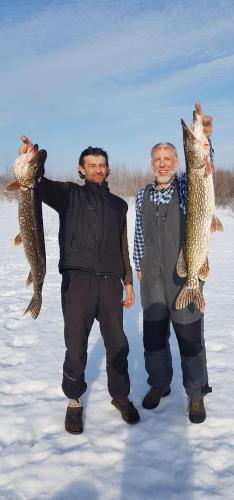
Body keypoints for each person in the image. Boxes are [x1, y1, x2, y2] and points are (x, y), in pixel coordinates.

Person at [19, 136, 140, 434]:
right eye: (92, 165)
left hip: (111, 283)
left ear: (107, 169)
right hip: (78, 281)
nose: (98, 170)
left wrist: (127, 280)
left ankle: (120, 396)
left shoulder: (118, 205)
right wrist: (29, 160)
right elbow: (36, 183)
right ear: (81, 170)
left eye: (102, 165)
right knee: (75, 344)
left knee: (118, 344)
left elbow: (122, 245)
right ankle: (74, 400)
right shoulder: (69, 195)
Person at [133, 103, 213, 424]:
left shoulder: (186, 184)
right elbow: (139, 233)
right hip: (151, 278)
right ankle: (159, 385)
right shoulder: (142, 195)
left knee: (190, 336)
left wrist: (205, 132)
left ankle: (195, 394)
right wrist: (138, 266)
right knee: (153, 338)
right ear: (152, 164)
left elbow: (203, 165)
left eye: (168, 159)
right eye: (158, 160)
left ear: (177, 162)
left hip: (184, 274)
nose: (163, 164)